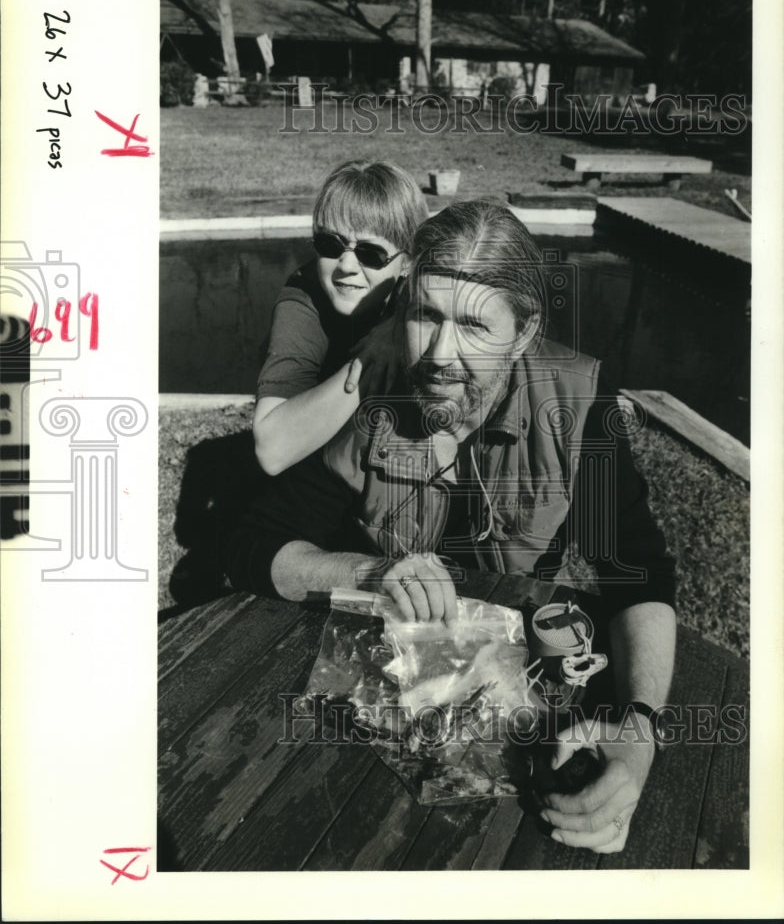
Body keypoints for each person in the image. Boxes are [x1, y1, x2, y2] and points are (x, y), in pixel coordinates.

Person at [227, 200, 677, 854]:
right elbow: (254, 542)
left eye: (472, 326)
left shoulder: (580, 406)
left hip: (517, 691)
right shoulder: (377, 396)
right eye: (426, 316)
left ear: (523, 334)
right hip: (390, 691)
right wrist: (370, 572)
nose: (439, 355)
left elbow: (638, 577)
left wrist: (637, 733)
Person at [253, 158, 428, 475]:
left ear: (408, 261)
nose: (346, 266)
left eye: (370, 253)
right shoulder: (303, 298)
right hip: (319, 462)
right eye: (329, 244)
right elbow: (272, 450)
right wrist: (371, 360)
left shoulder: (430, 294)